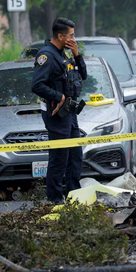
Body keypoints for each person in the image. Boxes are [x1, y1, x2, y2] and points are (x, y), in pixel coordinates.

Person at [31, 18, 87, 204]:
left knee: (75, 157)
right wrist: (58, 96)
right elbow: (37, 85)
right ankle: (54, 199)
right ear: (60, 36)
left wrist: (77, 54)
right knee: (59, 159)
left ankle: (74, 196)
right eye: (71, 35)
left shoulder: (65, 54)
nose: (73, 38)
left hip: (70, 114)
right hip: (56, 115)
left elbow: (83, 75)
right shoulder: (46, 55)